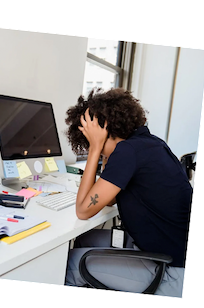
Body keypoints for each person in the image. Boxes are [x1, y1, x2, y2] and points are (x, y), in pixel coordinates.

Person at [63, 88, 191, 297]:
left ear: (105, 130)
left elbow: (83, 210)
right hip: (169, 252)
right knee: (86, 239)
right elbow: (110, 199)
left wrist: (96, 148)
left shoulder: (128, 152)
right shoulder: (149, 143)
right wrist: (104, 154)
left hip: (171, 272)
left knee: (71, 263)